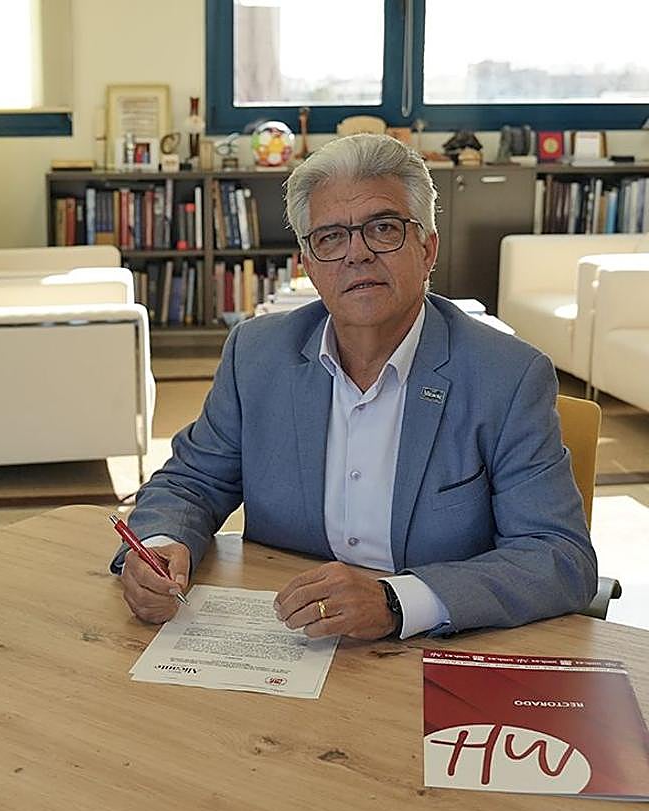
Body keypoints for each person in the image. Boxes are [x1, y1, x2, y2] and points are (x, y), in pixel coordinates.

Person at [114, 132, 596, 639]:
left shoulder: (508, 376)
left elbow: (557, 556)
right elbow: (191, 483)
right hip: (287, 638)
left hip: (434, 647)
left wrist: (396, 601)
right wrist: (161, 545)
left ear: (428, 248)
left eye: (383, 228)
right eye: (330, 237)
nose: (357, 254)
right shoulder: (257, 355)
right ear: (308, 265)